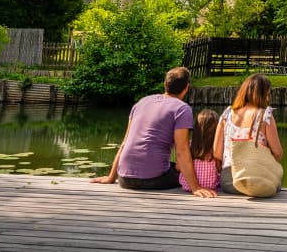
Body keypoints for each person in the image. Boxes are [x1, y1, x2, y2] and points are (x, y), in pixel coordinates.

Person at [90, 66, 216, 198]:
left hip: (124, 179)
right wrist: (195, 187)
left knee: (176, 167)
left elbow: (124, 143)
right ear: (186, 88)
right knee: (184, 170)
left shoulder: (141, 102)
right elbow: (181, 151)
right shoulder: (182, 109)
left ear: (165, 84)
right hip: (153, 179)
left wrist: (111, 177)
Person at [214, 73, 283, 194]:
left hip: (230, 182)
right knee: (276, 184)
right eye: (268, 93)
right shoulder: (265, 115)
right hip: (259, 180)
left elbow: (217, 153)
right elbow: (277, 152)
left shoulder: (227, 114)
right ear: (263, 94)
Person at [179, 108, 221, 193]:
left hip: (187, 185)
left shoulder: (189, 145)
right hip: (211, 186)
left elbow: (178, 167)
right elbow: (219, 168)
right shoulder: (215, 147)